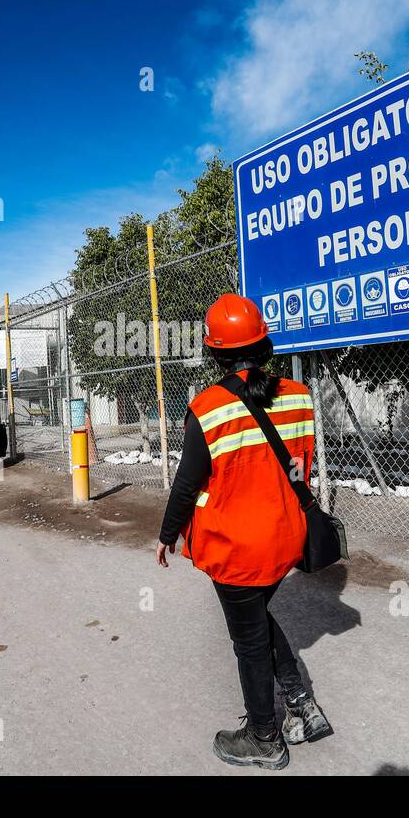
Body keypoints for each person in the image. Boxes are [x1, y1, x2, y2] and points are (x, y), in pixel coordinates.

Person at [156, 293, 331, 770]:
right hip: (285, 535)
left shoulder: (208, 407)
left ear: (214, 350)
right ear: (265, 343)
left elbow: (188, 482)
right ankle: (300, 704)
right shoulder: (298, 396)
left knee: (249, 638)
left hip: (236, 547)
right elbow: (300, 469)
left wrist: (167, 533)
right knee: (256, 616)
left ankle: (263, 738)